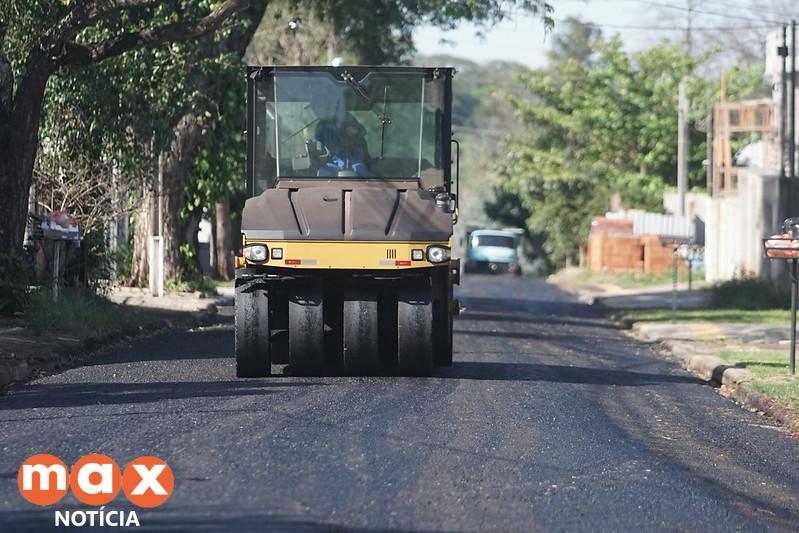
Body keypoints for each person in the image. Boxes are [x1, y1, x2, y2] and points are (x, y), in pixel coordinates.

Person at [306, 90, 371, 177]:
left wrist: (354, 131)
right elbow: (318, 145)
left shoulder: (344, 117)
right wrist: (310, 149)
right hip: (334, 161)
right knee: (322, 174)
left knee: (364, 176)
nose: (314, 112)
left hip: (355, 160)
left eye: (315, 108)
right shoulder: (320, 125)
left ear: (326, 107)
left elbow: (362, 131)